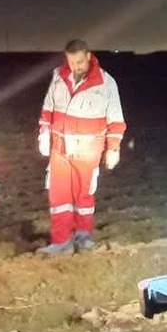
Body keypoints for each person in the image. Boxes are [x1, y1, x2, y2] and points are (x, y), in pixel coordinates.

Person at [36, 39, 126, 255]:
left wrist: (113, 148)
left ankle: (83, 238)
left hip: (87, 152)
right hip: (60, 150)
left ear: (88, 56)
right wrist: (44, 133)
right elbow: (48, 108)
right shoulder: (59, 77)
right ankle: (61, 243)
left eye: (79, 62)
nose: (75, 67)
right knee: (59, 198)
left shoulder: (106, 83)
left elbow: (116, 119)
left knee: (83, 197)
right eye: (71, 62)